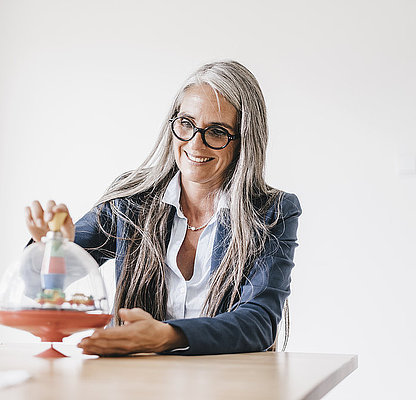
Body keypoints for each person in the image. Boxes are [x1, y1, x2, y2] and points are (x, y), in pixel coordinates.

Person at [24, 60, 301, 356]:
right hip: (137, 383)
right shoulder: (130, 202)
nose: (195, 144)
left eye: (217, 131)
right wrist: (54, 248)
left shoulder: (272, 212)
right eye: (186, 123)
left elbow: (258, 322)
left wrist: (168, 336)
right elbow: (39, 286)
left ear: (243, 140)